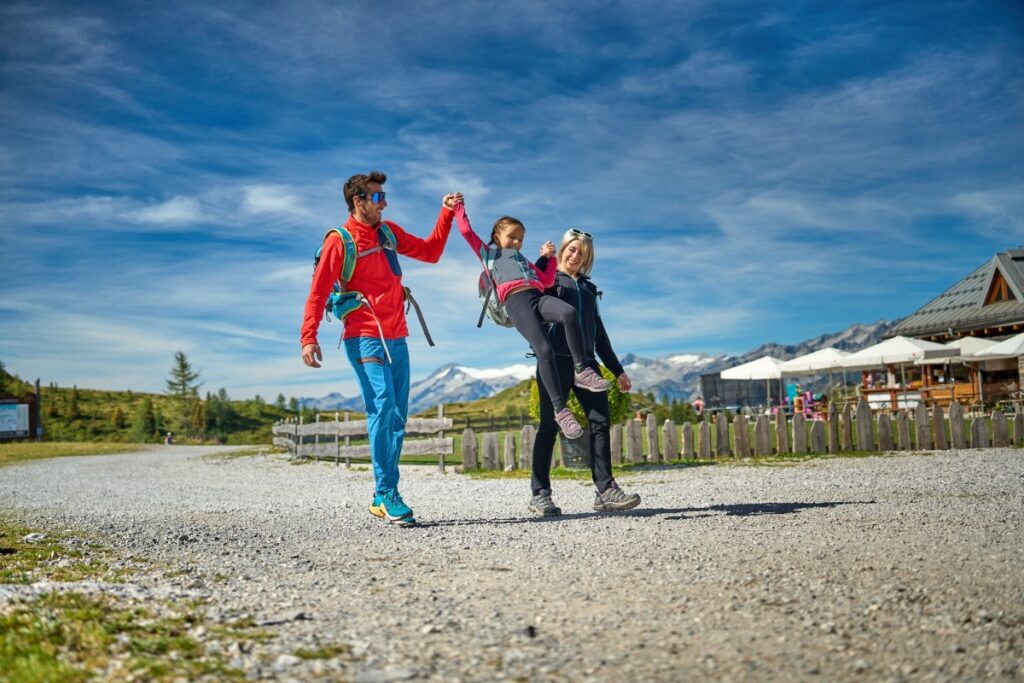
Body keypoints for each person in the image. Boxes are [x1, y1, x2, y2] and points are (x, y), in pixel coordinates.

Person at [301, 170, 461, 527]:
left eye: (383, 195)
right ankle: (388, 491)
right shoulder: (339, 241)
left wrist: (446, 213)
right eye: (377, 197)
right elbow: (317, 292)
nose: (384, 202)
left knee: (398, 417)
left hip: (397, 336)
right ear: (358, 201)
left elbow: (431, 252)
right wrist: (308, 337)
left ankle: (379, 496)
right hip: (363, 334)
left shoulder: (388, 233)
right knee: (382, 405)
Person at [451, 202, 611, 442]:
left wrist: (547, 258)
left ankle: (581, 370)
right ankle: (561, 410)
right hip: (517, 304)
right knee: (544, 350)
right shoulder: (490, 255)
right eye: (512, 237)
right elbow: (465, 231)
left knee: (568, 313)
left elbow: (546, 281)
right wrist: (458, 207)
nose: (516, 242)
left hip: (537, 298)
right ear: (497, 236)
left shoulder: (525, 261)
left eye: (521, 239)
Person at [528, 228, 641, 516]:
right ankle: (540, 494)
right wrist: (543, 261)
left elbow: (599, 334)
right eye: (572, 249)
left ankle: (606, 490)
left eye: (582, 253)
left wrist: (617, 370)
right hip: (555, 362)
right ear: (563, 248)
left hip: (588, 365)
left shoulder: (590, 290)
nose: (575, 256)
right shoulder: (549, 280)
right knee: (549, 426)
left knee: (600, 422)